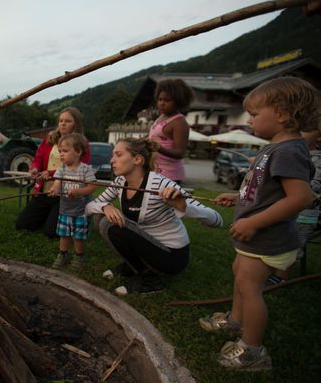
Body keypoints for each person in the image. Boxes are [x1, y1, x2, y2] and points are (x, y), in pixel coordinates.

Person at [199, 76, 320, 371]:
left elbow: (300, 197)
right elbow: (266, 190)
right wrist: (237, 195)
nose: (249, 120)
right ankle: (235, 321)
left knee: (250, 287)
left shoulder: (289, 150)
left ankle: (252, 350)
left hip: (268, 237)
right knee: (240, 274)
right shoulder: (274, 147)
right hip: (257, 238)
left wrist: (254, 222)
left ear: (281, 113)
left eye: (254, 114)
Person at [86, 137, 223, 294]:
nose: (112, 160)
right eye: (113, 155)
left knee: (108, 225)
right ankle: (134, 266)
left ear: (137, 159)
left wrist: (183, 206)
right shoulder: (119, 182)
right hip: (147, 244)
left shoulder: (161, 184)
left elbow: (217, 220)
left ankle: (150, 281)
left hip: (171, 257)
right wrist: (105, 206)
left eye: (118, 155)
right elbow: (89, 207)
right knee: (100, 217)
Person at [15, 107, 90, 238]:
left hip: (65, 195)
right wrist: (35, 168)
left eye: (68, 121)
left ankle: (57, 218)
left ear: (76, 124)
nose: (63, 123)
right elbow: (38, 159)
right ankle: (49, 215)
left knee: (51, 233)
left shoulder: (83, 144)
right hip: (44, 191)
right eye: (60, 120)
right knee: (22, 224)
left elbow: (78, 169)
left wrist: (50, 173)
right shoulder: (50, 138)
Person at [266, 128, 321, 285]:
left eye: (303, 131)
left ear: (319, 138)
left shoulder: (313, 158)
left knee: (297, 241)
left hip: (307, 213)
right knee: (282, 237)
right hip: (286, 208)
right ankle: (273, 269)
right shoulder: (285, 151)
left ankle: (281, 277)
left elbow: (312, 188)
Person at [47, 133, 97, 271]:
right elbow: (57, 183)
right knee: (64, 235)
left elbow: (93, 186)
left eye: (65, 151)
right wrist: (54, 189)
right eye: (60, 151)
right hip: (65, 211)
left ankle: (78, 256)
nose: (61, 154)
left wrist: (79, 192)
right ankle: (62, 255)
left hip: (80, 212)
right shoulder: (61, 169)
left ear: (78, 151)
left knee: (78, 237)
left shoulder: (85, 169)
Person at [148, 79, 193, 184]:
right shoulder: (161, 117)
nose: (162, 103)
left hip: (170, 176)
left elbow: (180, 153)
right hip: (154, 171)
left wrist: (158, 148)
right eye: (160, 99)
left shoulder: (179, 123)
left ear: (178, 102)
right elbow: (154, 136)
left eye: (167, 100)